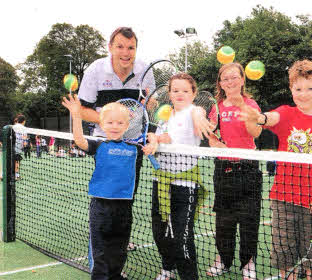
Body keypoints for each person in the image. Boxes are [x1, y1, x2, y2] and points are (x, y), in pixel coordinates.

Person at [240, 60, 312, 280]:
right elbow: (272, 117)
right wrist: (259, 118)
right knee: (285, 261)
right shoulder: (287, 113)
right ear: (291, 90)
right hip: (283, 201)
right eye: (298, 89)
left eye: (309, 88)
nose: (303, 94)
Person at [62, 94, 157, 280]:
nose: (115, 126)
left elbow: (152, 138)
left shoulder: (135, 148)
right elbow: (80, 141)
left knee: (120, 248)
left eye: (120, 123)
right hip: (101, 206)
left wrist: (152, 142)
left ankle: (115, 276)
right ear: (102, 125)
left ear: (127, 126)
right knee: (100, 250)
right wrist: (77, 115)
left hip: (124, 207)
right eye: (110, 123)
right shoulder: (99, 145)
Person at [151, 73, 213, 280]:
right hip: (160, 183)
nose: (180, 94)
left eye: (185, 90)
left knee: (182, 238)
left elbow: (198, 112)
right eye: (175, 90)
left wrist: (198, 114)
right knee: (160, 233)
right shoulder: (164, 117)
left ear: (193, 93)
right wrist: (154, 141)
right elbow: (159, 142)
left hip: (185, 187)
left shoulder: (193, 111)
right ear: (169, 94)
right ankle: (168, 268)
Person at [206, 62, 263, 280]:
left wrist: (245, 111)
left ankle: (248, 262)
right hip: (223, 169)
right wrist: (217, 145)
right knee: (224, 219)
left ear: (241, 79)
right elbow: (212, 137)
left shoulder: (251, 104)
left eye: (234, 77)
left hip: (248, 168)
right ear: (220, 83)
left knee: (249, 219)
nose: (230, 82)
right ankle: (223, 259)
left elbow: (255, 133)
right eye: (225, 78)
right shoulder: (217, 107)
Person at [78, 26, 155, 137]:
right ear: (110, 47)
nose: (125, 53)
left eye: (131, 48)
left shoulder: (146, 69)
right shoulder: (94, 70)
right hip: (103, 139)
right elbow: (82, 110)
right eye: (120, 47)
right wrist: (113, 120)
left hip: (135, 140)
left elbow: (152, 104)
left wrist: (151, 104)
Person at [12, 114, 27, 180]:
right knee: (17, 162)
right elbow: (24, 140)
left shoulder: (12, 127)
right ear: (24, 121)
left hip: (10, 146)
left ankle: (3, 175)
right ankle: (16, 176)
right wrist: (25, 145)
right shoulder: (24, 128)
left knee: (9, 161)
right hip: (17, 148)